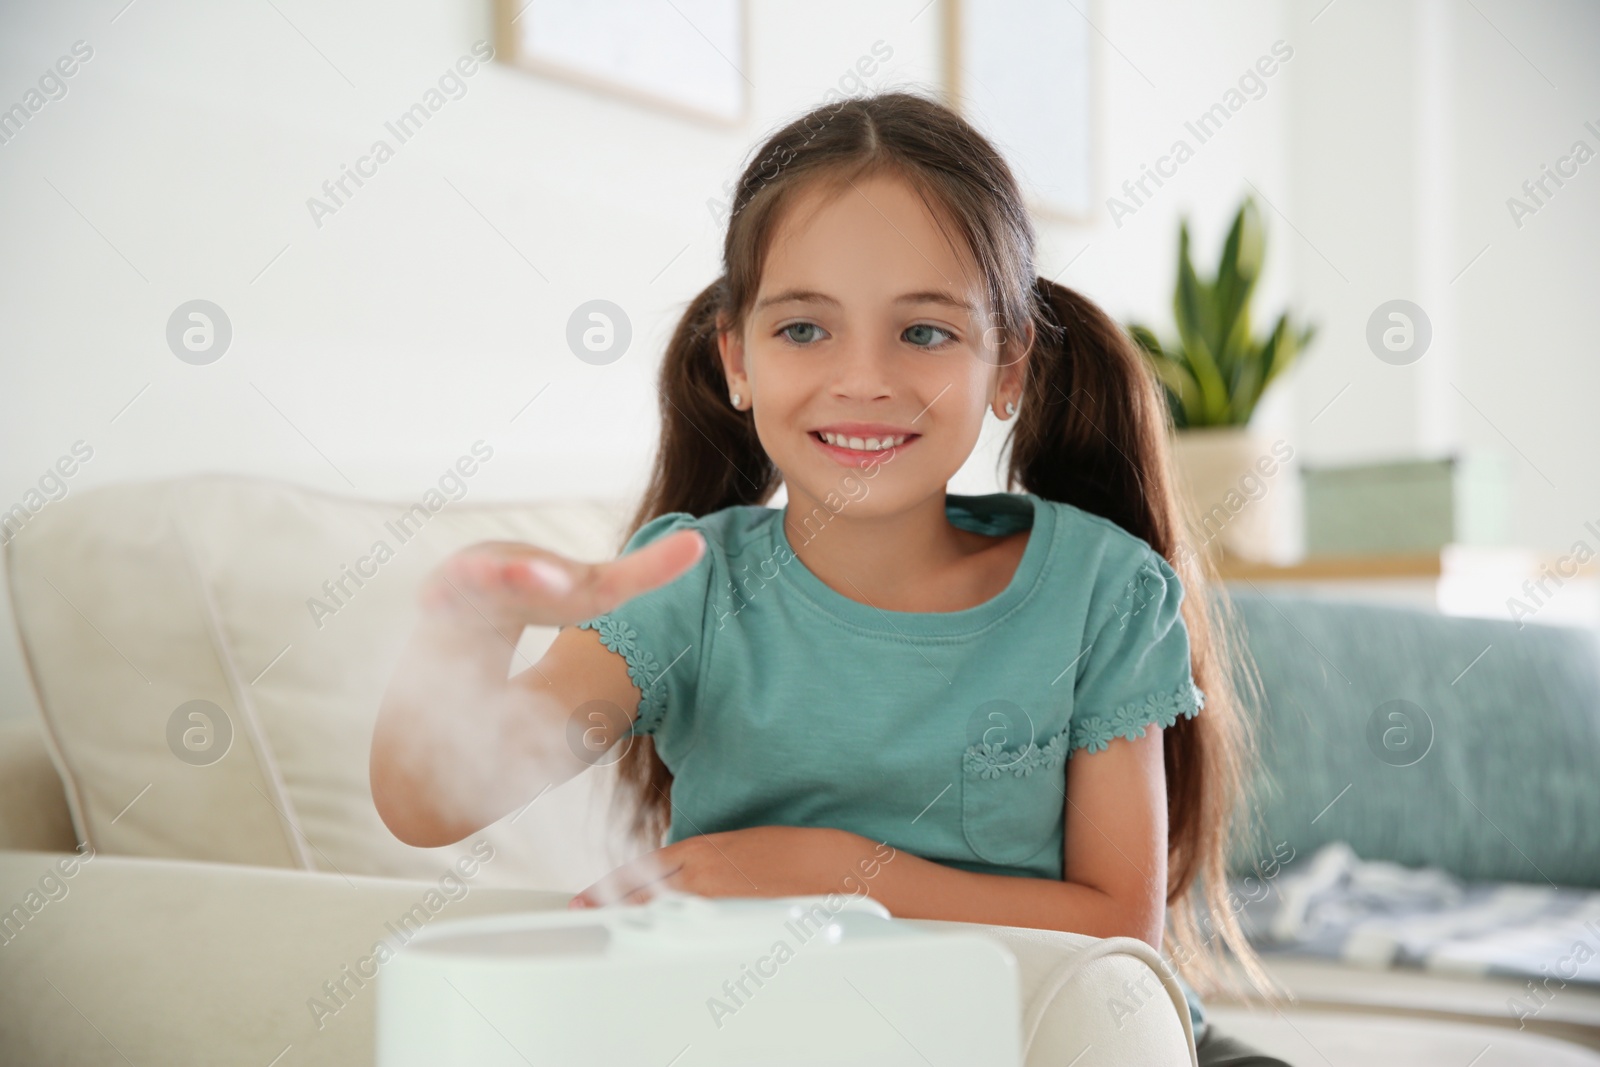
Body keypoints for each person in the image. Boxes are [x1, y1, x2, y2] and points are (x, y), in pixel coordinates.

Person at [370, 89, 1293, 1065]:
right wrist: (465, 628)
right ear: (736, 358)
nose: (863, 378)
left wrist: (827, 869)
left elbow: (1115, 930)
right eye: (804, 329)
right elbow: (430, 802)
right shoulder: (686, 587)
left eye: (924, 331)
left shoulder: (1098, 589)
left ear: (1009, 363)